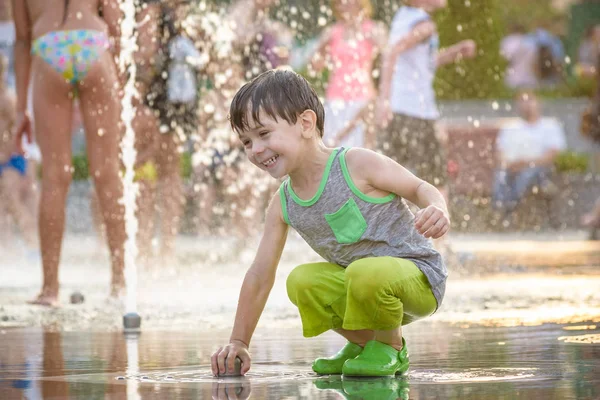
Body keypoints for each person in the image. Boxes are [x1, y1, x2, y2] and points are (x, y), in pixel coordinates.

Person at [210, 70, 449, 378]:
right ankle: (365, 344)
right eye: (246, 141)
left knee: (364, 272)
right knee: (302, 281)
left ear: (306, 124)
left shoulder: (355, 164)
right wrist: (238, 341)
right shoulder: (284, 203)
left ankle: (392, 349)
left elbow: (419, 188)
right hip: (362, 285)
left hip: (418, 279)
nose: (255, 149)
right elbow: (259, 275)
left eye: (264, 134)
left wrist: (438, 208)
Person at [13, 0, 126, 305]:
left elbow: (22, 41)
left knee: (54, 175)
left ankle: (50, 288)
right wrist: (122, 83)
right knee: (107, 171)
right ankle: (120, 282)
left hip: (49, 48)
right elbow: (116, 25)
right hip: (93, 44)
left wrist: (21, 107)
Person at [376, 0, 476, 200]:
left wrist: (454, 52)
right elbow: (392, 52)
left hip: (400, 109)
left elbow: (424, 63)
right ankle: (441, 229)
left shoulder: (403, 16)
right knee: (436, 179)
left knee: (391, 177)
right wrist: (383, 99)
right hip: (416, 111)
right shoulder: (425, 24)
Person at [310, 0, 387, 149]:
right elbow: (316, 67)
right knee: (331, 149)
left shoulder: (372, 29)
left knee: (361, 152)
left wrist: (383, 96)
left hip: (363, 99)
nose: (343, 4)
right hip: (335, 100)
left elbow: (389, 60)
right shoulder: (332, 32)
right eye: (339, 2)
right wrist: (320, 48)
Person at [493, 91, 566, 212]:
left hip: (540, 170)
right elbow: (500, 153)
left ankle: (510, 208)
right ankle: (500, 207)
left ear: (538, 102)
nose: (526, 105)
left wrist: (525, 163)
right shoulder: (510, 127)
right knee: (501, 173)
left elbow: (552, 155)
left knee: (528, 172)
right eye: (522, 101)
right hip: (511, 167)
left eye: (529, 100)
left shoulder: (550, 126)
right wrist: (509, 165)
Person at [0, 54, 37, 251]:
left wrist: (5, 152)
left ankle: (33, 246)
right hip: (5, 158)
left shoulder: (8, 99)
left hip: (12, 160)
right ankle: (7, 251)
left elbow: (16, 131)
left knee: (13, 200)